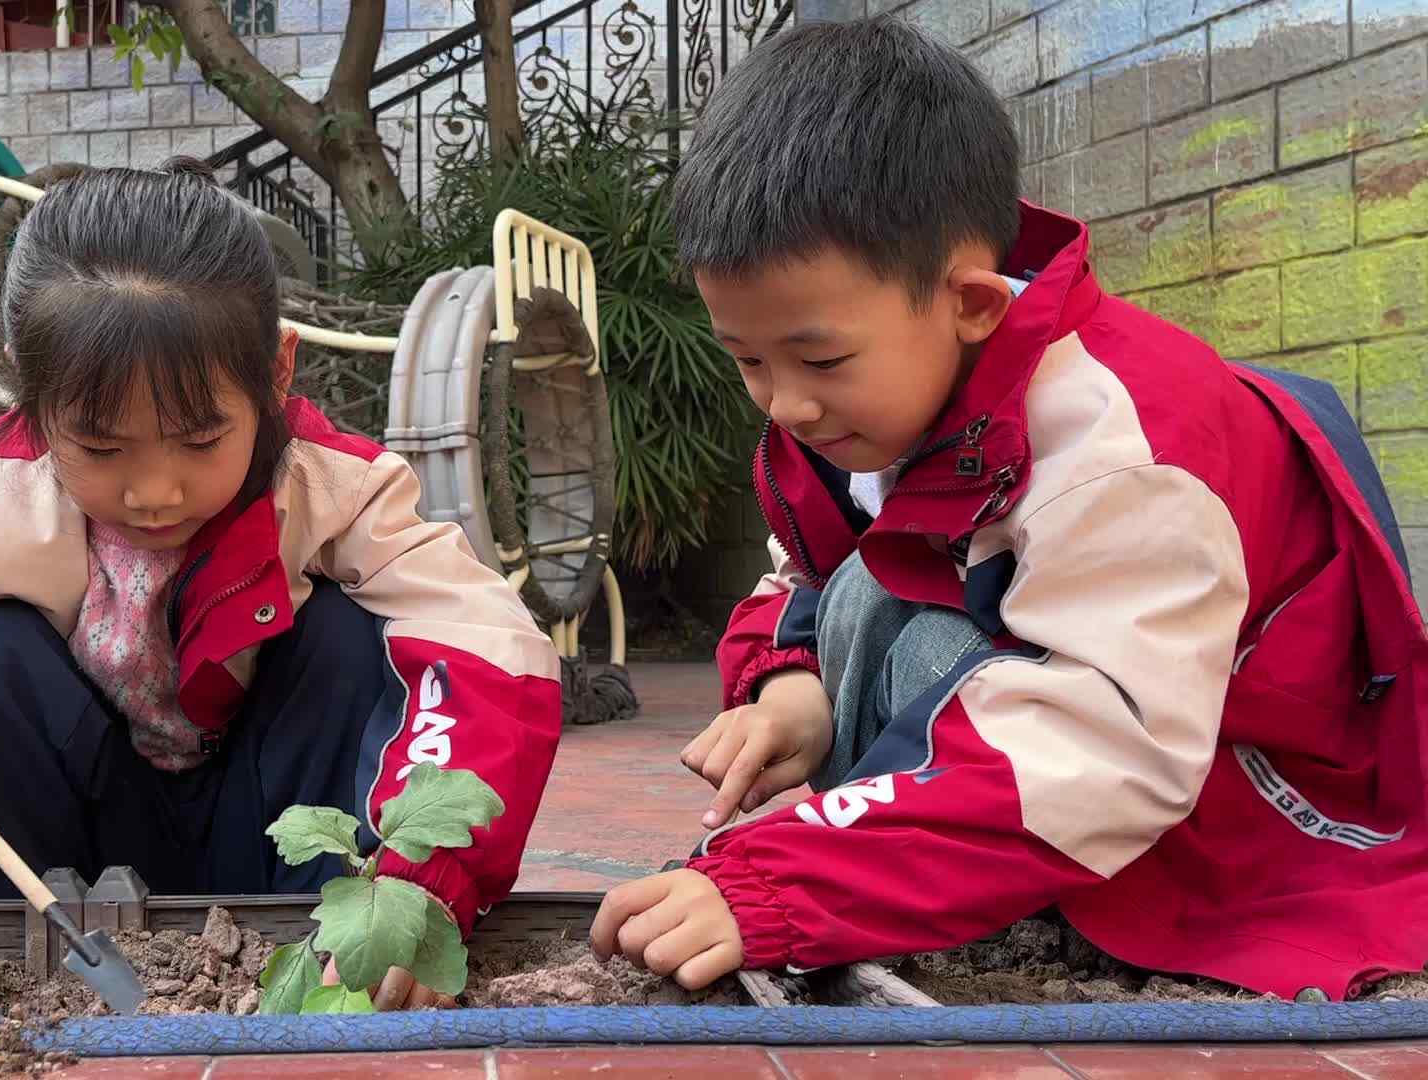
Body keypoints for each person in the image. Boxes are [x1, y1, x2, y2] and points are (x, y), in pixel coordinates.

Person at [590, 14, 1428, 1001]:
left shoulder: (1119, 446)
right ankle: (914, 864)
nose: (786, 404)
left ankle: (941, 877)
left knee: (911, 637)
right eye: (748, 362)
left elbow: (1107, 739)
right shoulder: (873, 408)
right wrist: (792, 692)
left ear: (972, 304)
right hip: (1045, 736)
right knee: (861, 597)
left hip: (1218, 791)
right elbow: (804, 575)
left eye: (818, 359)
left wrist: (778, 884)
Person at [0, 162, 563, 1011]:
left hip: (273, 847)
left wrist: (426, 876)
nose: (155, 492)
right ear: (32, 397)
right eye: (102, 448)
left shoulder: (334, 492)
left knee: (346, 637)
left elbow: (491, 646)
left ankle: (345, 952)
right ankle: (7, 976)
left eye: (198, 439)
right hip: (56, 865)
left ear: (277, 373)